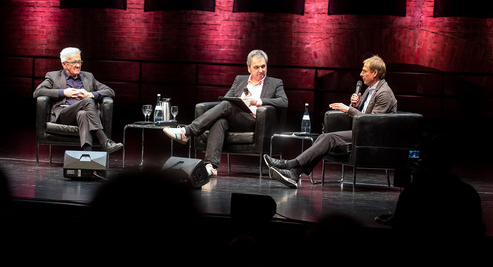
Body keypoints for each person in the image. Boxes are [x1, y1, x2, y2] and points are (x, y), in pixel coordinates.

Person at [265, 55, 397, 188]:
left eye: (365, 71)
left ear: (375, 73)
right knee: (324, 137)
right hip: (362, 131)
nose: (361, 74)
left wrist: (348, 109)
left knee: (329, 138)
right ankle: (294, 174)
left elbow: (372, 122)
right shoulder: (370, 89)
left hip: (373, 137)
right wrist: (355, 105)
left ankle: (289, 164)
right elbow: (363, 115)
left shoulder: (384, 93)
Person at [162, 49, 288, 176]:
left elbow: (284, 102)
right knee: (220, 121)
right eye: (256, 67)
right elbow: (227, 100)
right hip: (234, 118)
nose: (260, 70)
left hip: (254, 121)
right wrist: (241, 101)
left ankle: (187, 131)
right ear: (249, 68)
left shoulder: (275, 83)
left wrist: (258, 101)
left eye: (263, 66)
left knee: (227, 106)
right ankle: (211, 166)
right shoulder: (239, 80)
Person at [33, 47, 123, 153]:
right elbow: (37, 92)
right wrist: (63, 92)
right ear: (64, 64)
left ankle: (86, 156)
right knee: (88, 101)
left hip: (85, 113)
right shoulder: (53, 76)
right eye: (74, 62)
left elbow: (110, 91)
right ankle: (105, 141)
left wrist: (91, 94)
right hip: (65, 113)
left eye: (79, 61)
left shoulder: (88, 77)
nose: (78, 65)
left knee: (83, 114)